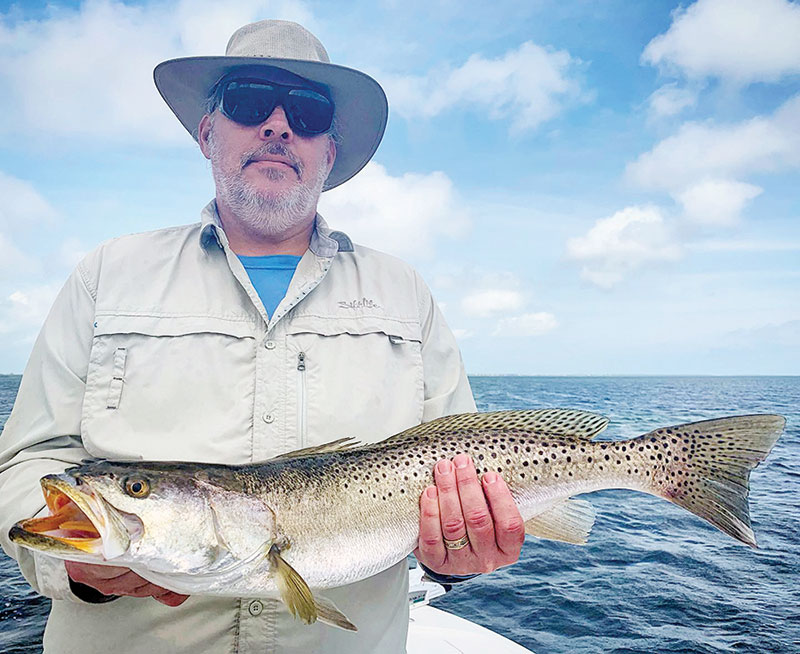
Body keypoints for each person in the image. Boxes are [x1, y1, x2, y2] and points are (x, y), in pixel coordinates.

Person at [0, 19, 524, 654]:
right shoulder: (106, 274)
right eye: (249, 104)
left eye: (305, 113)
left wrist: (459, 552)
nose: (277, 126)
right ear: (207, 133)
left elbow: (460, 464)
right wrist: (73, 563)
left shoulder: (405, 293)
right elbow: (28, 460)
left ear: (328, 153)